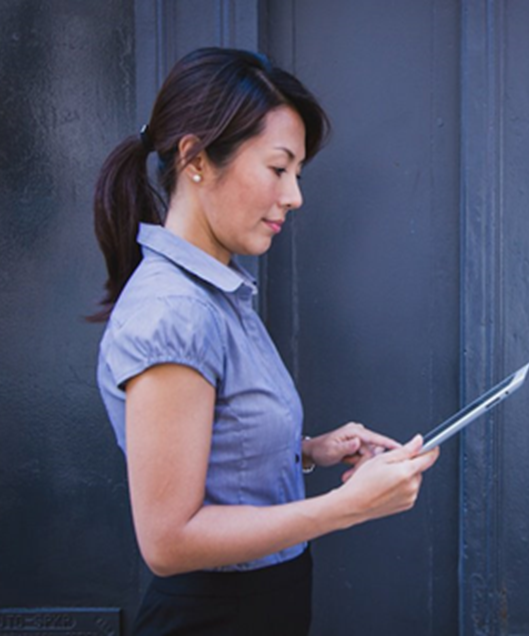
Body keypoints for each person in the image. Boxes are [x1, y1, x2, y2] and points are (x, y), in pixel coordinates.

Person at [90, 47, 439, 636]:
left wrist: (307, 450)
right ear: (195, 158)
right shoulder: (175, 311)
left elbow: (212, 448)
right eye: (279, 169)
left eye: (296, 174)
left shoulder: (215, 293)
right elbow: (169, 541)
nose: (295, 195)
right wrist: (346, 508)